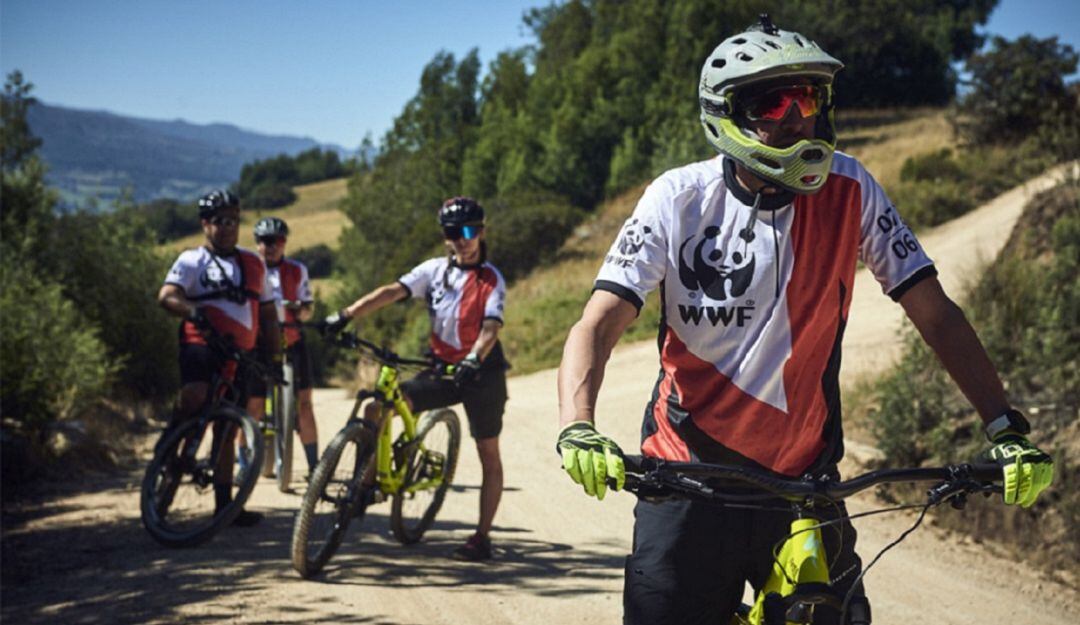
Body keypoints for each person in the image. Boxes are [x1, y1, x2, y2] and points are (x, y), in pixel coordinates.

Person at [555, 15, 1054, 625]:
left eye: (809, 98)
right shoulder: (677, 198)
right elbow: (599, 322)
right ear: (728, 115)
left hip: (804, 487)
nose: (797, 117)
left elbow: (936, 314)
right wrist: (578, 424)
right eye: (772, 102)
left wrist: (1004, 426)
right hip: (686, 480)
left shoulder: (853, 188)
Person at [323, 196, 509, 562]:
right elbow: (392, 292)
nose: (462, 239)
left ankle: (482, 536)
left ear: (482, 232)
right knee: (380, 407)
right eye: (454, 232)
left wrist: (474, 358)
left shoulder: (491, 279)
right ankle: (366, 481)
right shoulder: (434, 271)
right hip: (441, 368)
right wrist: (346, 314)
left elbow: (491, 328)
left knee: (488, 452)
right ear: (445, 236)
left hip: (481, 372)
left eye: (470, 230)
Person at [158, 189, 281, 527]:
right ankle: (170, 443)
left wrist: (275, 356)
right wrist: (191, 310)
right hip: (201, 342)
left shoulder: (254, 263)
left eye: (232, 221)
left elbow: (268, 314)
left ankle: (227, 507)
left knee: (228, 428)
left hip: (242, 354)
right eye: (219, 221)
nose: (227, 227)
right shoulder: (191, 260)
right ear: (205, 224)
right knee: (195, 395)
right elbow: (167, 296)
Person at [246, 217, 320, 478]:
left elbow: (308, 306)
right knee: (252, 405)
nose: (271, 247)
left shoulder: (297, 270)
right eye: (266, 242)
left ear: (284, 243)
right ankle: (244, 465)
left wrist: (301, 309)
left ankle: (315, 467)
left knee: (305, 405)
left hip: (292, 340)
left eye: (277, 241)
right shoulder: (249, 268)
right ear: (257, 244)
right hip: (259, 343)